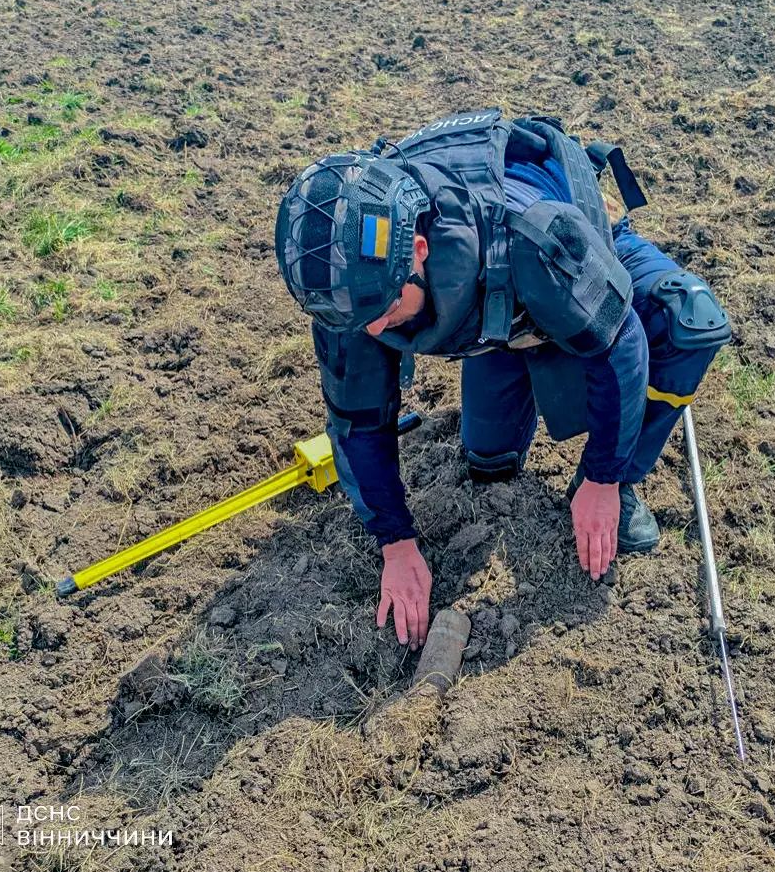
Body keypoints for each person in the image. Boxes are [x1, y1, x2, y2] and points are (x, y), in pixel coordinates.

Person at [274, 110, 730, 651]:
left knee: (691, 321)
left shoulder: (535, 242)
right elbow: (358, 423)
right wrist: (395, 542)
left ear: (418, 251)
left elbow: (620, 342)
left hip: (569, 259)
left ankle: (620, 482)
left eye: (386, 307)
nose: (373, 327)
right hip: (495, 315)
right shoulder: (351, 290)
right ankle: (516, 358)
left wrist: (604, 479)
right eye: (358, 317)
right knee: (489, 464)